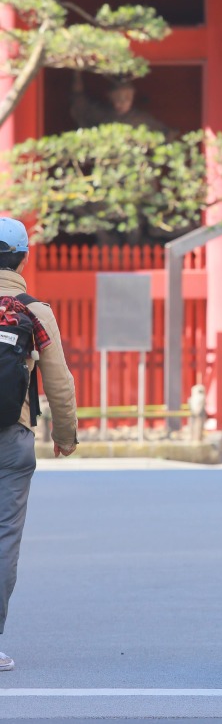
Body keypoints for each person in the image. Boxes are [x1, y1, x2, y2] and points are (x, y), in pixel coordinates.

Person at [0, 218, 77, 672]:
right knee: (4, 539)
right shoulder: (34, 312)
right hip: (12, 439)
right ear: (23, 259)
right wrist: (64, 436)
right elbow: (59, 381)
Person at [70, 72, 169, 133]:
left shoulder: (141, 119)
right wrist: (77, 74)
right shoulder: (102, 114)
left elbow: (165, 133)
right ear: (110, 97)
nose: (121, 103)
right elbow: (79, 102)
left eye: (127, 98)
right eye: (117, 99)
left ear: (132, 96)